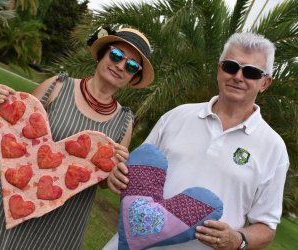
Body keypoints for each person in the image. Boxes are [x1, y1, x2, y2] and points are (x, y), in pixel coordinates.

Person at [0, 27, 154, 250]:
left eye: (132, 66)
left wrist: (114, 175)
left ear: (134, 77)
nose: (120, 66)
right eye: (116, 55)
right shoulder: (58, 86)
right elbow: (15, 126)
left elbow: (103, 179)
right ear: (102, 54)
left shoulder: (124, 122)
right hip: (14, 199)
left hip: (61, 225)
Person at [105, 32, 289, 249]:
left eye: (251, 72)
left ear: (265, 82)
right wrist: (119, 175)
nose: (238, 76)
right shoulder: (177, 116)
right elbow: (140, 170)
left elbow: (266, 227)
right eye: (231, 66)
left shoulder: (273, 148)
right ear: (219, 69)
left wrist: (238, 240)